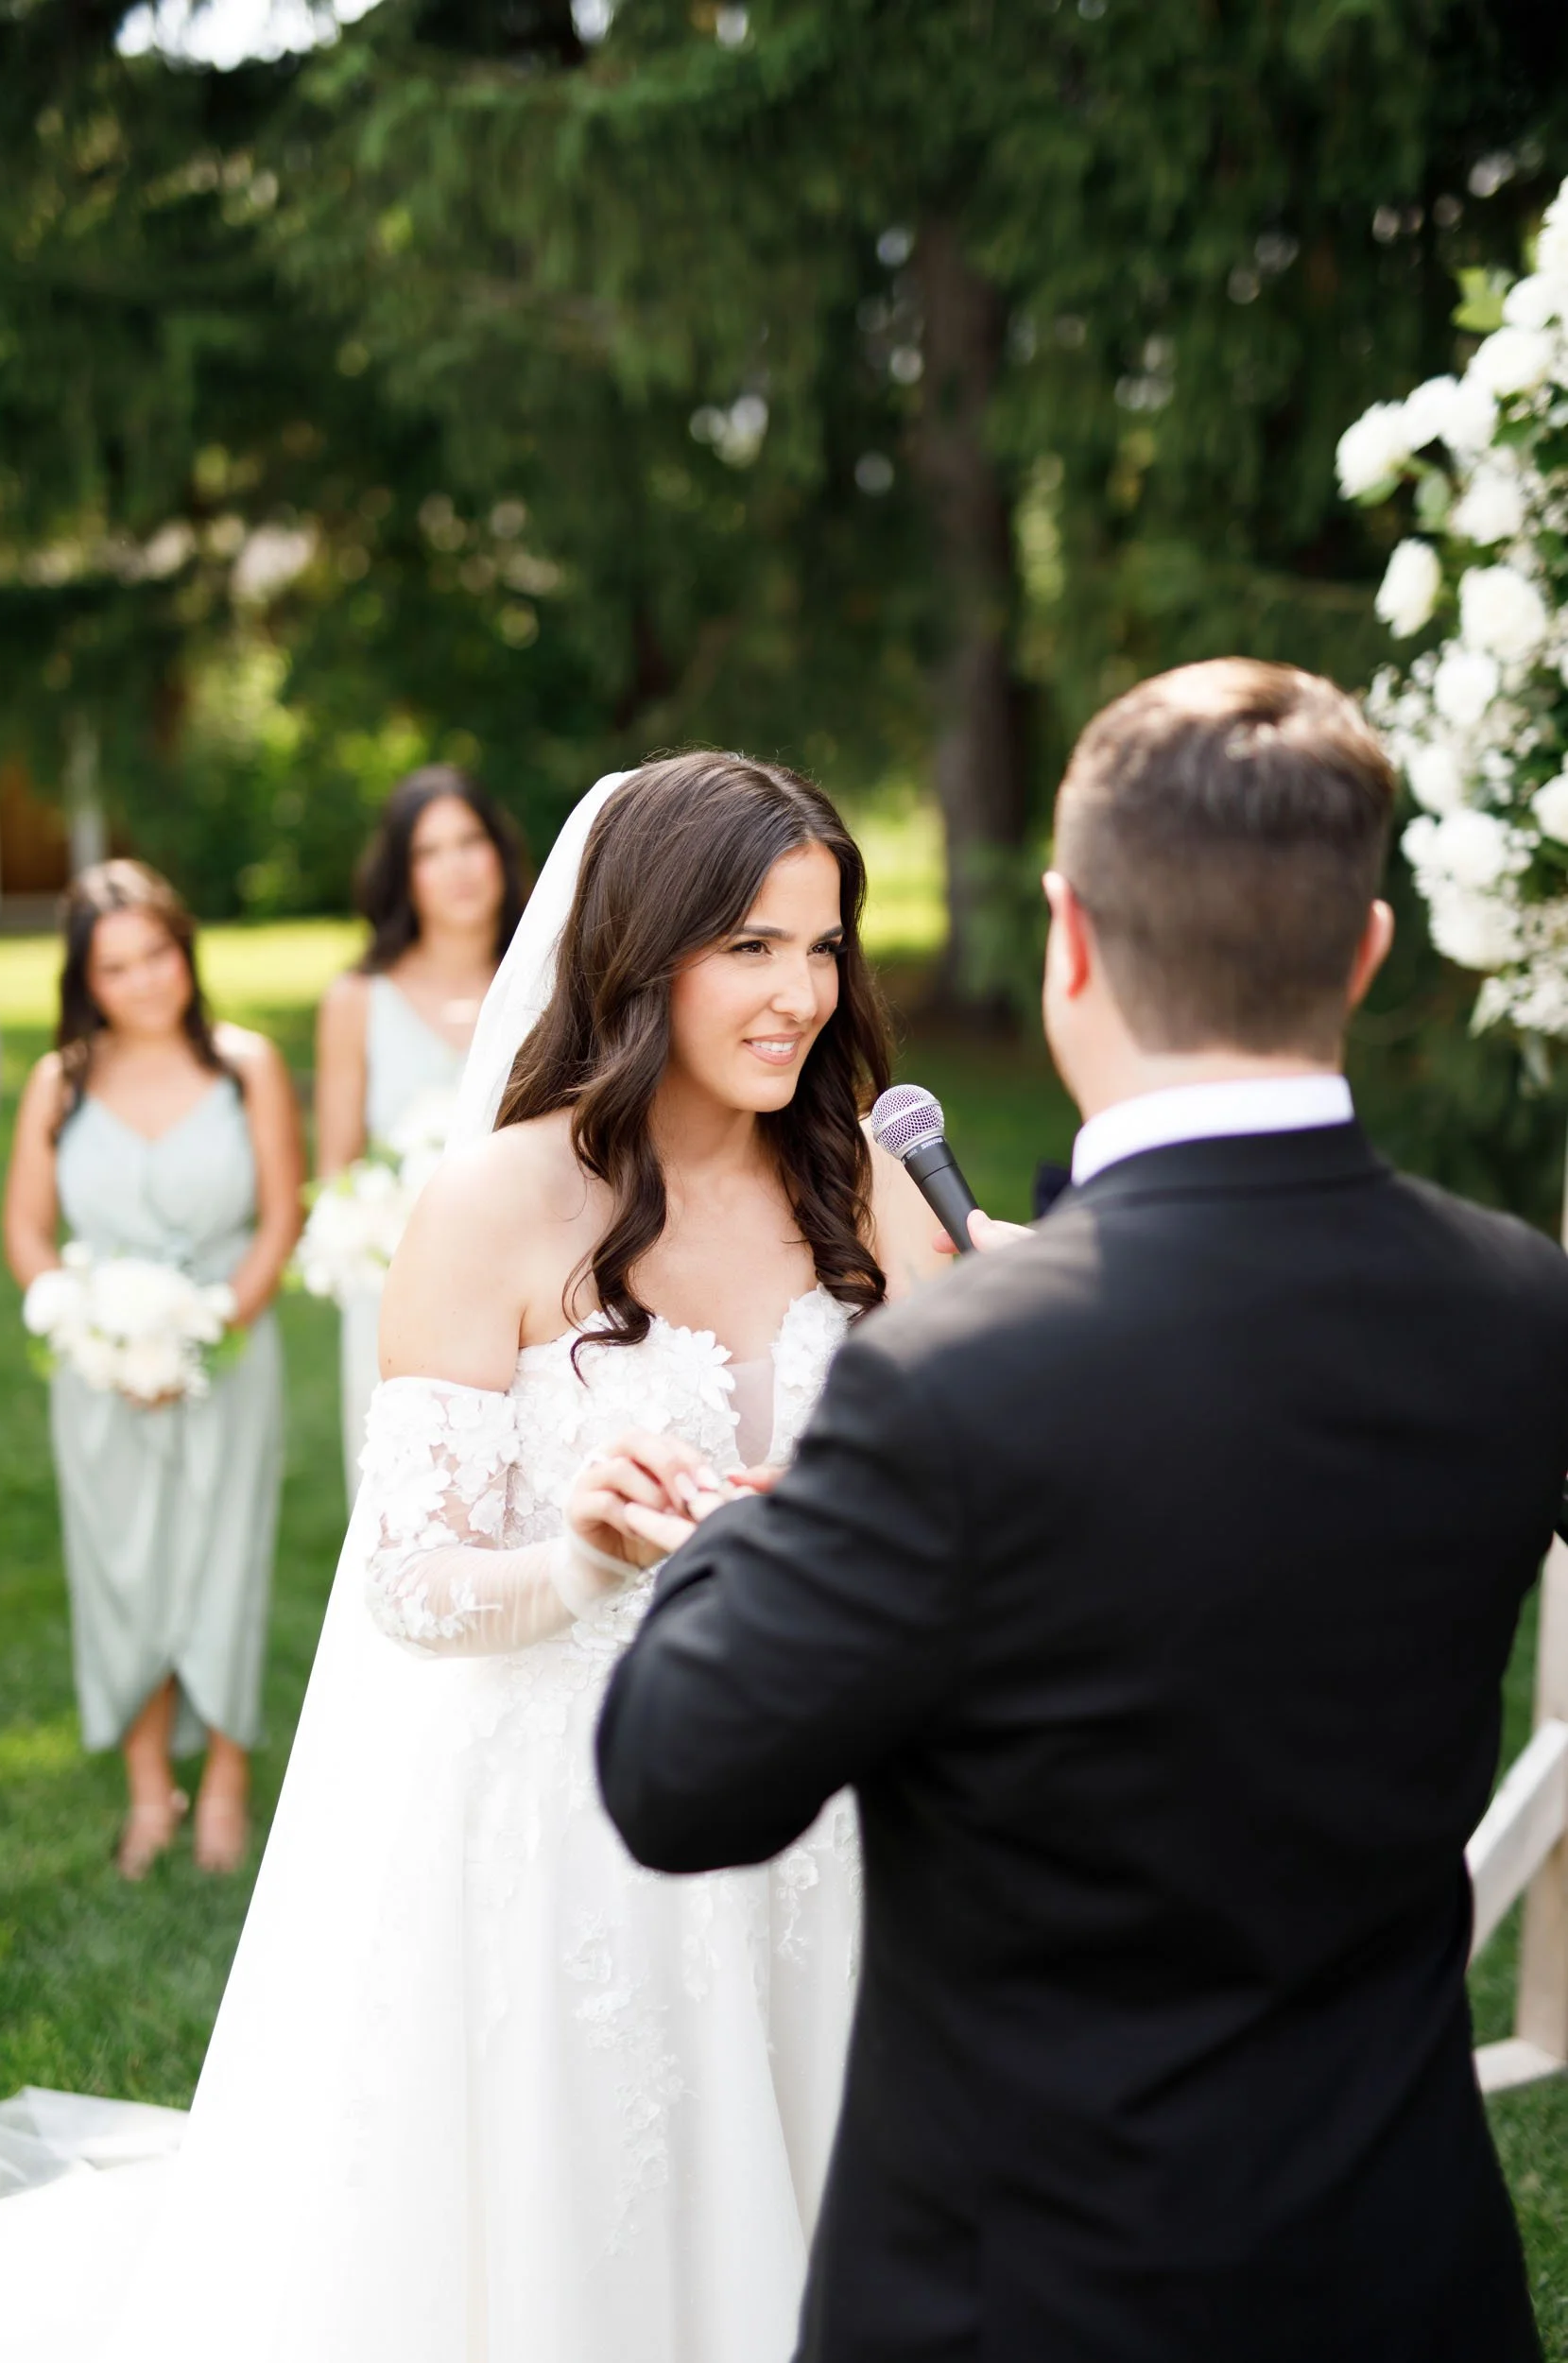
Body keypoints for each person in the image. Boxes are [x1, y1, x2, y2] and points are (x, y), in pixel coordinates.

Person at [597, 662, 1568, 2363]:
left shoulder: (941, 1388)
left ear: (1066, 942)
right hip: (1405, 2276)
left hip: (1031, 2296)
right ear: (1361, 954)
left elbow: (677, 1776)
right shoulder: (1519, 1308)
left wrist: (763, 1517)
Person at [78, 753, 944, 2363]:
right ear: (642, 949)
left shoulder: (862, 1179)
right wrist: (576, 1559)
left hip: (835, 1807)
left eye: (823, 948)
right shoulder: (499, 1200)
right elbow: (411, 1579)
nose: (802, 995)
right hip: (582, 1832)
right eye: (751, 947)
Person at [2, 860, 303, 1877]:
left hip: (229, 1353)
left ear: (186, 949)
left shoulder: (244, 1064)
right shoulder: (61, 1079)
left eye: (158, 953)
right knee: (121, 1568)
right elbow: (27, 1232)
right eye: (117, 965)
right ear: (88, 978)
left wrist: (211, 1323)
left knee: (223, 1555)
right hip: (97, 1373)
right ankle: (148, 1788)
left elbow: (279, 1218)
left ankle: (222, 1779)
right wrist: (87, 1328)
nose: (145, 980)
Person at [315, 764, 528, 1495]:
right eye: (428, 852)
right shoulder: (356, 999)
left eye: (470, 842)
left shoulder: (552, 987)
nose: (457, 867)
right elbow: (337, 1174)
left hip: (533, 1279)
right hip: (396, 1289)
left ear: (499, 852)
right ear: (401, 874)